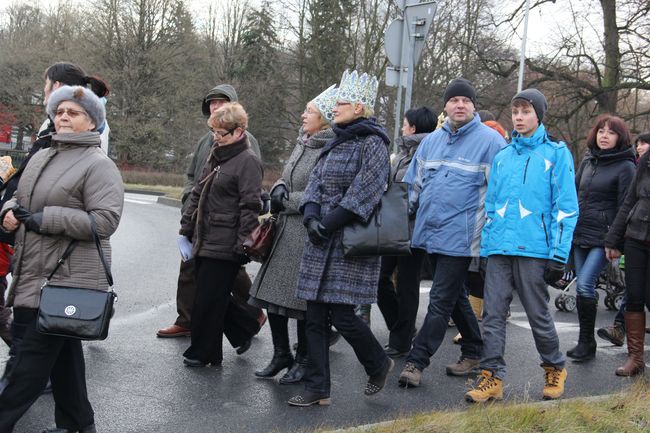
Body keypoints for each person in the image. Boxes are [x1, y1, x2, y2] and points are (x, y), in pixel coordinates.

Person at [0, 85, 124, 432]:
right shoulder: (42, 155)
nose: (64, 117)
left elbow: (104, 221)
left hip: (66, 280)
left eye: (74, 113)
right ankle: (77, 423)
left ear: (92, 122)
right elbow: (20, 199)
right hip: (33, 275)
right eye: (60, 112)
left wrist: (45, 220)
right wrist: (9, 213)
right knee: (64, 359)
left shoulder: (99, 165)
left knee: (25, 366)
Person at [465, 88, 578, 403]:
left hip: (535, 249)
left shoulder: (556, 153)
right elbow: (492, 207)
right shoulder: (502, 156)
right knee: (493, 315)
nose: (519, 117)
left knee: (537, 314)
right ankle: (491, 378)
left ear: (538, 115)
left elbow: (566, 207)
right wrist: (486, 249)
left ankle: (554, 367)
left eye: (526, 111)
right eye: (515, 111)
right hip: (500, 247)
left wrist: (559, 253)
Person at [287, 70, 392, 406]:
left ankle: (378, 363)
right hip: (321, 237)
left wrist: (329, 222)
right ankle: (318, 387)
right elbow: (316, 181)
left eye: (343, 103)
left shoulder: (374, 144)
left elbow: (368, 190)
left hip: (349, 242)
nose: (336, 108)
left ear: (360, 107)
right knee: (314, 315)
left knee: (344, 316)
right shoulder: (336, 139)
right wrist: (311, 215)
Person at [397, 78, 505, 387]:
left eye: (465, 101)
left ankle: (416, 363)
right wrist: (401, 219)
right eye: (454, 100)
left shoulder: (491, 142)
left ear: (473, 106)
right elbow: (414, 186)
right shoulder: (432, 141)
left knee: (440, 299)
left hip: (463, 237)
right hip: (429, 233)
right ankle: (474, 349)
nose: (459, 105)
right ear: (445, 106)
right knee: (455, 295)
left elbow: (501, 192)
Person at [157, 84, 265, 340]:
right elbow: (193, 176)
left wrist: (242, 234)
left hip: (225, 226)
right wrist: (188, 199)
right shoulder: (206, 140)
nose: (215, 106)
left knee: (228, 276)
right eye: (212, 103)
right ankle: (186, 319)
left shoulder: (248, 143)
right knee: (189, 268)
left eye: (221, 102)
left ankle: (253, 312)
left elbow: (250, 188)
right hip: (199, 218)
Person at [248, 85, 338, 382]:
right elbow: (284, 180)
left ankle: (303, 359)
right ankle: (280, 354)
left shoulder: (329, 147)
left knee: (300, 305)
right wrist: (277, 189)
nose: (302, 115)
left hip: (306, 235)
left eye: (309, 111)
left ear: (324, 118)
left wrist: (285, 200)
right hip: (285, 233)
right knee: (273, 299)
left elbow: (323, 195)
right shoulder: (303, 142)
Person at [179, 102, 263, 367]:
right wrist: (186, 229)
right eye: (214, 132)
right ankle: (241, 329)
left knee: (207, 300)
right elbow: (197, 193)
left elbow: (250, 205)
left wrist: (242, 245)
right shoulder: (216, 154)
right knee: (210, 296)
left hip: (227, 242)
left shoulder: (248, 161)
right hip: (205, 237)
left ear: (239, 131)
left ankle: (202, 352)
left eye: (220, 132)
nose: (216, 137)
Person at [567, 115, 635, 362]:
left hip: (604, 238)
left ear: (620, 137)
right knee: (582, 287)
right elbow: (574, 192)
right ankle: (585, 341)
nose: (604, 135)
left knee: (585, 284)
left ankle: (587, 343)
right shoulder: (588, 160)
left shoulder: (626, 166)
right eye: (601, 131)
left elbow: (626, 207)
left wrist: (616, 242)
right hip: (580, 232)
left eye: (611, 132)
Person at [377, 106, 436, 357]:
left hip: (414, 230)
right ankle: (402, 328)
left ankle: (401, 341)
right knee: (380, 280)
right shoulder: (403, 153)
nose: (402, 127)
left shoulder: (427, 152)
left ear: (412, 127)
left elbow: (421, 191)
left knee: (407, 285)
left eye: (404, 123)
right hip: (394, 226)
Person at [597, 130, 650, 345]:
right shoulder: (645, 161)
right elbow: (629, 201)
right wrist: (613, 239)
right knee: (634, 296)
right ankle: (635, 358)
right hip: (636, 237)